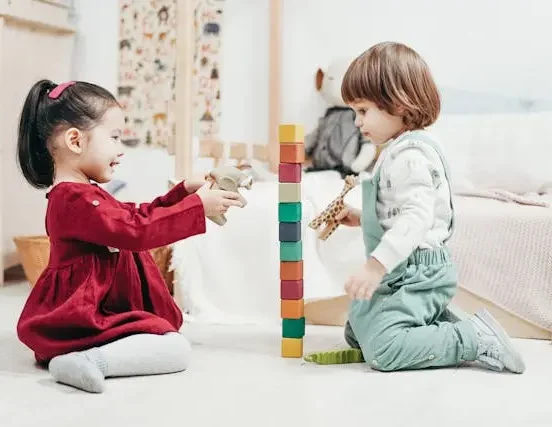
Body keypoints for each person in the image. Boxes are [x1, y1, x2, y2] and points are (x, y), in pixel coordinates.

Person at [304, 42, 525, 374]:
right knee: (357, 332)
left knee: (384, 351)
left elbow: (417, 218)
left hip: (417, 273)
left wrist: (376, 267)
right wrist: (362, 218)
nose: (357, 122)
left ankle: (472, 337)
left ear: (398, 103)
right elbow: (397, 211)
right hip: (401, 269)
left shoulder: (410, 157)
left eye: (363, 111)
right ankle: (432, 324)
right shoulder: (396, 150)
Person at [15, 79, 244, 393]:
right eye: (114, 137)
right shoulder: (74, 199)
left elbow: (135, 216)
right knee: (175, 350)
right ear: (75, 141)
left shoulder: (85, 195)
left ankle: (87, 357)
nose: (120, 150)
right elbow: (135, 231)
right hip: (83, 315)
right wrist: (196, 208)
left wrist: (182, 194)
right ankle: (92, 360)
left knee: (167, 341)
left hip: (98, 310)